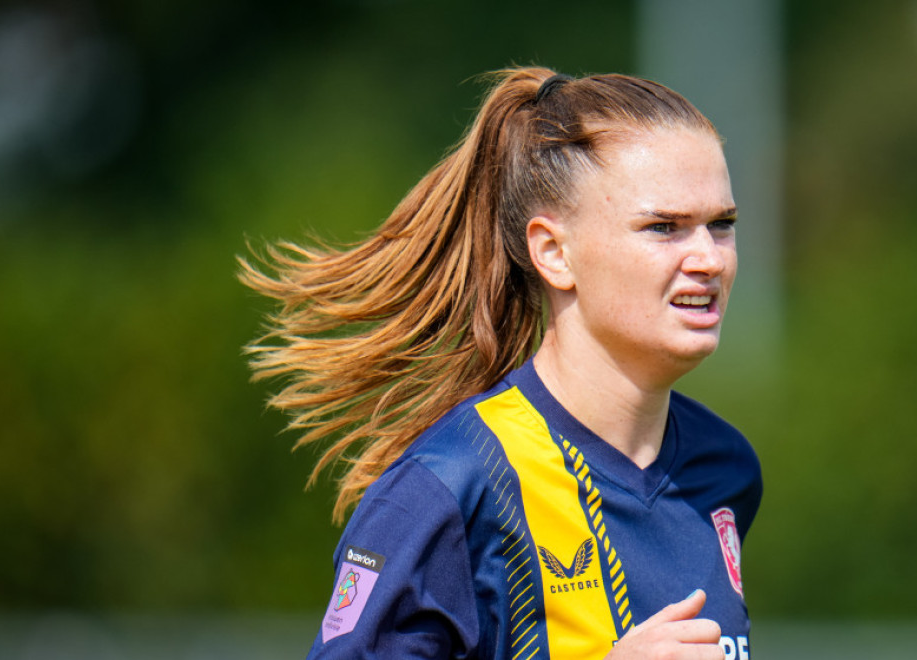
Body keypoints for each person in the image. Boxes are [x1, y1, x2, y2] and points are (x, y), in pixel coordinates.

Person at [240, 66, 762, 660]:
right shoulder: (450, 487)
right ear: (553, 253)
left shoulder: (725, 467)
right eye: (663, 227)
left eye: (721, 225)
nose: (708, 259)